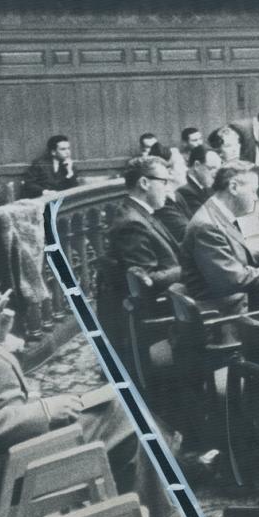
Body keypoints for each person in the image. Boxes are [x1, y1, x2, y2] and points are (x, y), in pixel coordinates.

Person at [0, 255, 144, 500]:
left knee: (120, 406)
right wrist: (46, 410)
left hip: (10, 451)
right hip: (8, 471)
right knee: (128, 414)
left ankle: (135, 512)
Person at [97, 156, 183, 366]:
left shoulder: (141, 214)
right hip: (161, 306)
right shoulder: (132, 223)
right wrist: (189, 268)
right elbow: (147, 279)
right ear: (144, 183)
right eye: (164, 182)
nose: (169, 189)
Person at [180, 161, 259, 307]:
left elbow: (235, 253)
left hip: (231, 300)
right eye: (253, 191)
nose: (256, 198)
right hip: (225, 312)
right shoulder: (207, 226)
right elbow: (234, 280)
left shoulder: (215, 212)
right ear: (233, 187)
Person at [160, 145, 221, 238]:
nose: (186, 169)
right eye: (212, 168)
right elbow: (193, 230)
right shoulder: (182, 193)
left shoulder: (207, 188)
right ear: (169, 172)